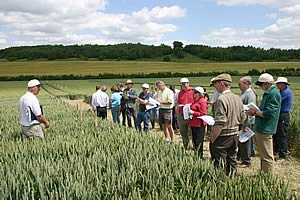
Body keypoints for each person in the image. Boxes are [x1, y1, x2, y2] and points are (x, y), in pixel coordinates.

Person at [210, 74, 246, 175]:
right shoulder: (237, 98)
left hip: (223, 136)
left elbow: (220, 122)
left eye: (215, 84)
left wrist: (213, 138)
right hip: (234, 135)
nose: (215, 87)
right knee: (232, 160)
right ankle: (232, 181)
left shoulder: (221, 99)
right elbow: (243, 117)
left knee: (219, 163)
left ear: (221, 83)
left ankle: (220, 182)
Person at [246, 73, 281, 174]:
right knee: (263, 153)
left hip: (266, 127)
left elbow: (270, 113)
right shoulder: (271, 93)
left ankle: (267, 176)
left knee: (266, 154)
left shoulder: (272, 94)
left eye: (261, 85)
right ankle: (264, 172)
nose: (261, 87)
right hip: (263, 126)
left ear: (267, 84)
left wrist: (255, 112)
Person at [238, 76, 257, 167]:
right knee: (242, 141)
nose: (239, 86)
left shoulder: (249, 94)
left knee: (245, 141)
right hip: (243, 120)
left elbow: (250, 109)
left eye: (240, 84)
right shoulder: (245, 93)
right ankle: (242, 158)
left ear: (246, 84)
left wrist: (246, 124)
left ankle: (246, 160)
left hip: (247, 121)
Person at [274, 77, 292, 160]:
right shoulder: (281, 91)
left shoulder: (286, 92)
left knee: (282, 134)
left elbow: (277, 101)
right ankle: (277, 152)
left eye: (278, 83)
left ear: (283, 84)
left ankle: (283, 154)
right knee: (278, 134)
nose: (277, 85)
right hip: (280, 114)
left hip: (283, 114)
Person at [188, 87, 208, 158]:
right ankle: (197, 155)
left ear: (199, 94)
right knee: (194, 141)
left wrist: (193, 112)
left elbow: (203, 113)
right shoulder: (196, 100)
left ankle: (199, 156)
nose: (194, 94)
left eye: (195, 92)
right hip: (193, 123)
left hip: (199, 124)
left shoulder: (202, 101)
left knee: (198, 141)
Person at [176, 77, 194, 149]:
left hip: (190, 113)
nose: (184, 85)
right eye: (182, 84)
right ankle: (185, 145)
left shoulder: (193, 92)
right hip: (181, 113)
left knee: (192, 130)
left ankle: (194, 145)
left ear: (188, 83)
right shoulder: (179, 93)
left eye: (185, 83)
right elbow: (177, 102)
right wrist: (177, 106)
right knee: (183, 130)